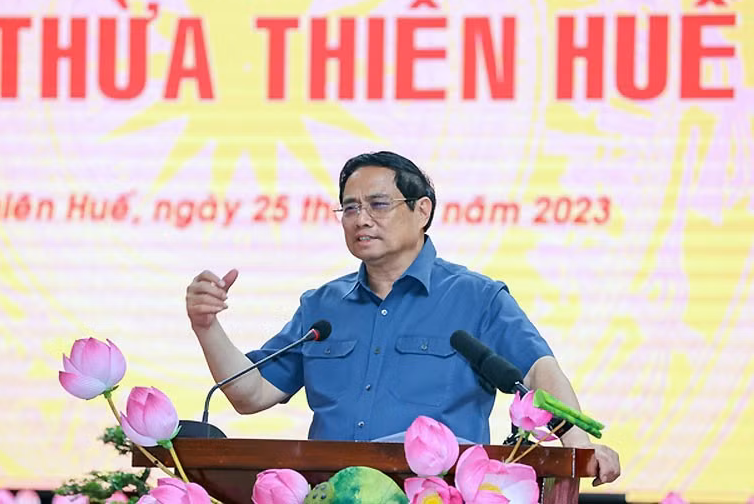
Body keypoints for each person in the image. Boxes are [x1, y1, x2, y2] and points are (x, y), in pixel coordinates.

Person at [186, 151, 621, 485]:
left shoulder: (477, 297)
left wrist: (579, 448)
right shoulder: (322, 306)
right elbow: (251, 393)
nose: (361, 219)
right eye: (349, 208)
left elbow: (539, 373)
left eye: (378, 204)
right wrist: (207, 326)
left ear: (422, 211)